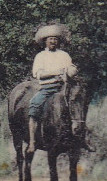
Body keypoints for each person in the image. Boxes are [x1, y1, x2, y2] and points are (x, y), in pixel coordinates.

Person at [28, 24, 79, 154]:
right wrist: (56, 72)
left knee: (79, 103)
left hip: (64, 87)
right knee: (34, 105)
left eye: (55, 39)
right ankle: (32, 141)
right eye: (50, 39)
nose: (53, 41)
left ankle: (81, 139)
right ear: (45, 41)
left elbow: (71, 68)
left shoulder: (64, 55)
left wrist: (72, 70)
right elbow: (38, 74)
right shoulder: (41, 56)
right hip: (47, 87)